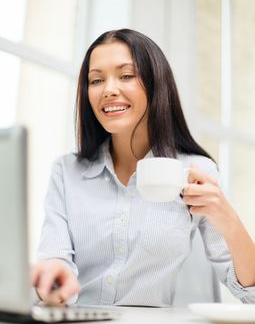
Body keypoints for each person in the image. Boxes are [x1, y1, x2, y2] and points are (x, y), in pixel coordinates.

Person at [32, 28, 255, 306]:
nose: (109, 90)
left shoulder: (197, 171)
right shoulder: (67, 172)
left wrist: (229, 222)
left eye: (126, 76)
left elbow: (250, 293)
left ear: (155, 84)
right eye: (96, 80)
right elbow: (56, 259)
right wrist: (50, 280)